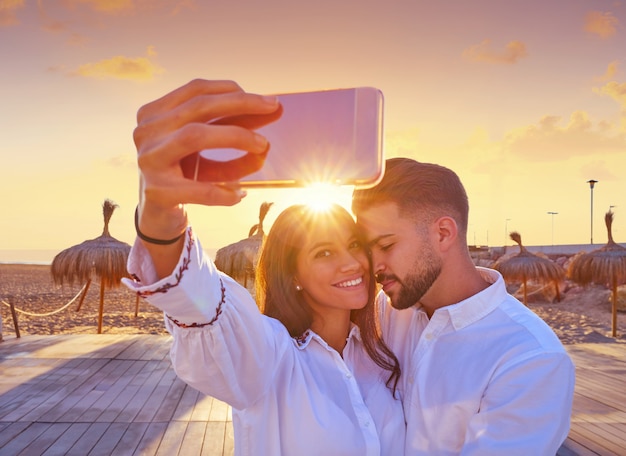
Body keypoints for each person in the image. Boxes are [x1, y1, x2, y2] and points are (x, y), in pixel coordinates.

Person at [122, 79, 405, 456]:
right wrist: (161, 218)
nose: (351, 262)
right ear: (293, 276)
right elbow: (206, 306)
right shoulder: (271, 352)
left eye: (354, 245)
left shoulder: (379, 349)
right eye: (323, 253)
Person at [352, 157, 576, 455]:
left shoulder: (530, 358)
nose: (374, 265)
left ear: (443, 233)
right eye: (367, 249)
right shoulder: (386, 310)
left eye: (387, 245)